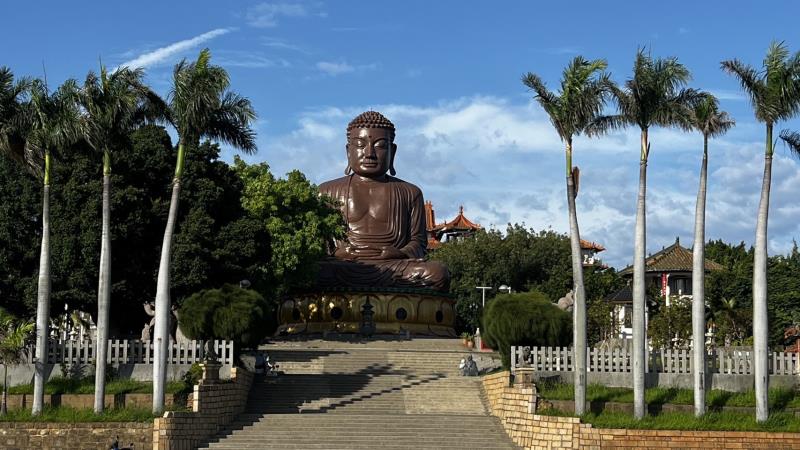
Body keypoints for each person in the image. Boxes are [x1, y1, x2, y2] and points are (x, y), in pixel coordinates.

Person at [317, 111, 450, 291]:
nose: (369, 153)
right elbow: (318, 245)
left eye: (379, 146)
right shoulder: (326, 192)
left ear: (392, 151)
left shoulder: (410, 193)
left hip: (393, 268)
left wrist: (400, 253)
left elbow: (419, 244)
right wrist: (336, 253)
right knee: (313, 271)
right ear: (348, 151)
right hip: (344, 267)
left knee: (436, 273)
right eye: (359, 145)